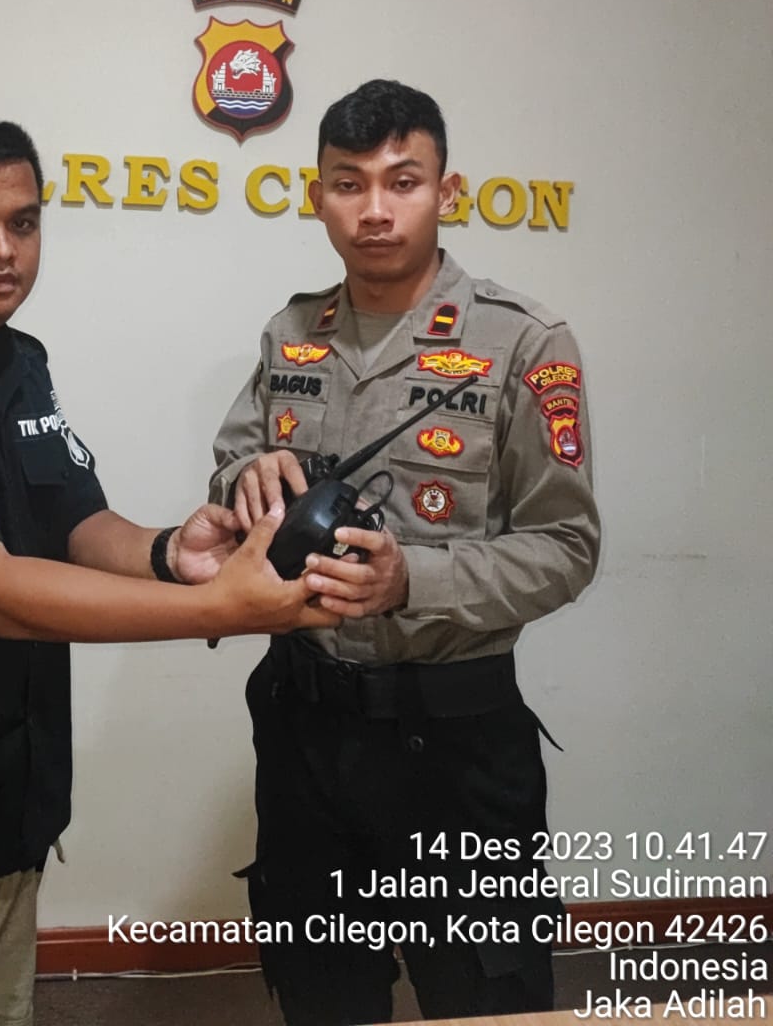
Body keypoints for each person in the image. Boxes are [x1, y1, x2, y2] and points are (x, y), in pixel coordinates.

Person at [0, 113, 385, 1026]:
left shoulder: (19, 362)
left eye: (23, 223)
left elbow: (74, 522)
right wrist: (225, 608)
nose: (3, 249)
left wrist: (173, 554)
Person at [210, 80, 600, 1026]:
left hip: (456, 747)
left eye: (403, 181)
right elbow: (229, 468)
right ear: (318, 197)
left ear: (446, 192)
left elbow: (566, 545)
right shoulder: (292, 334)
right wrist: (244, 480)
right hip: (306, 731)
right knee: (322, 996)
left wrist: (408, 580)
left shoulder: (524, 342)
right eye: (349, 184)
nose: (375, 210)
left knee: (483, 1003)